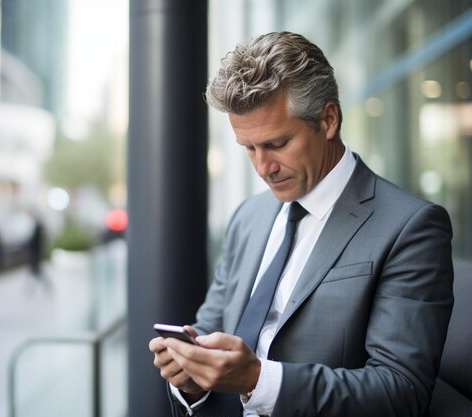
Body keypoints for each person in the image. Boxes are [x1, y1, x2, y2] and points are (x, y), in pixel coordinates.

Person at [149, 31, 454, 417]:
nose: (263, 167)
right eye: (249, 148)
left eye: (276, 144)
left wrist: (258, 381)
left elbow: (402, 393)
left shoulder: (411, 227)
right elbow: (209, 328)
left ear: (328, 120)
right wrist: (190, 376)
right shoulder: (249, 217)